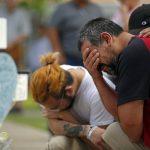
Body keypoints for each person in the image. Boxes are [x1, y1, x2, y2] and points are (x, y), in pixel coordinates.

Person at [79, 16, 150, 150]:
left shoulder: (133, 53)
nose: (94, 65)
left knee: (113, 133)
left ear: (107, 39)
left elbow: (132, 131)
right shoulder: (139, 46)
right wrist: (96, 76)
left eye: (92, 56)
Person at [30, 52, 115, 150]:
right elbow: (54, 127)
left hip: (107, 145)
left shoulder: (97, 93)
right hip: (84, 138)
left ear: (69, 91)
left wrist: (63, 115)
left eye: (55, 108)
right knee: (57, 144)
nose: (51, 110)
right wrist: (87, 131)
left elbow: (101, 144)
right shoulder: (51, 82)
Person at [48, 0, 104, 66]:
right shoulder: (62, 9)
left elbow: (103, 29)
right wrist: (57, 51)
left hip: (93, 58)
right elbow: (52, 29)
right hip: (70, 59)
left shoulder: (96, 9)